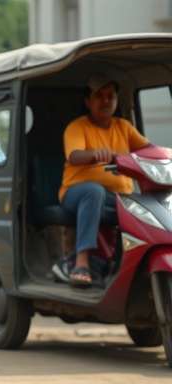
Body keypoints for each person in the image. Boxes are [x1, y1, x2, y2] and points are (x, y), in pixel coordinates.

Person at [54, 73, 149, 287]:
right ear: (88, 101)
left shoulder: (123, 127)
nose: (106, 101)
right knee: (93, 191)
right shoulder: (77, 127)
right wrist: (95, 154)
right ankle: (81, 263)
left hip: (116, 198)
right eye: (99, 96)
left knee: (147, 206)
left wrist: (164, 155)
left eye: (110, 96)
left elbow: (147, 148)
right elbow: (74, 155)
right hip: (75, 195)